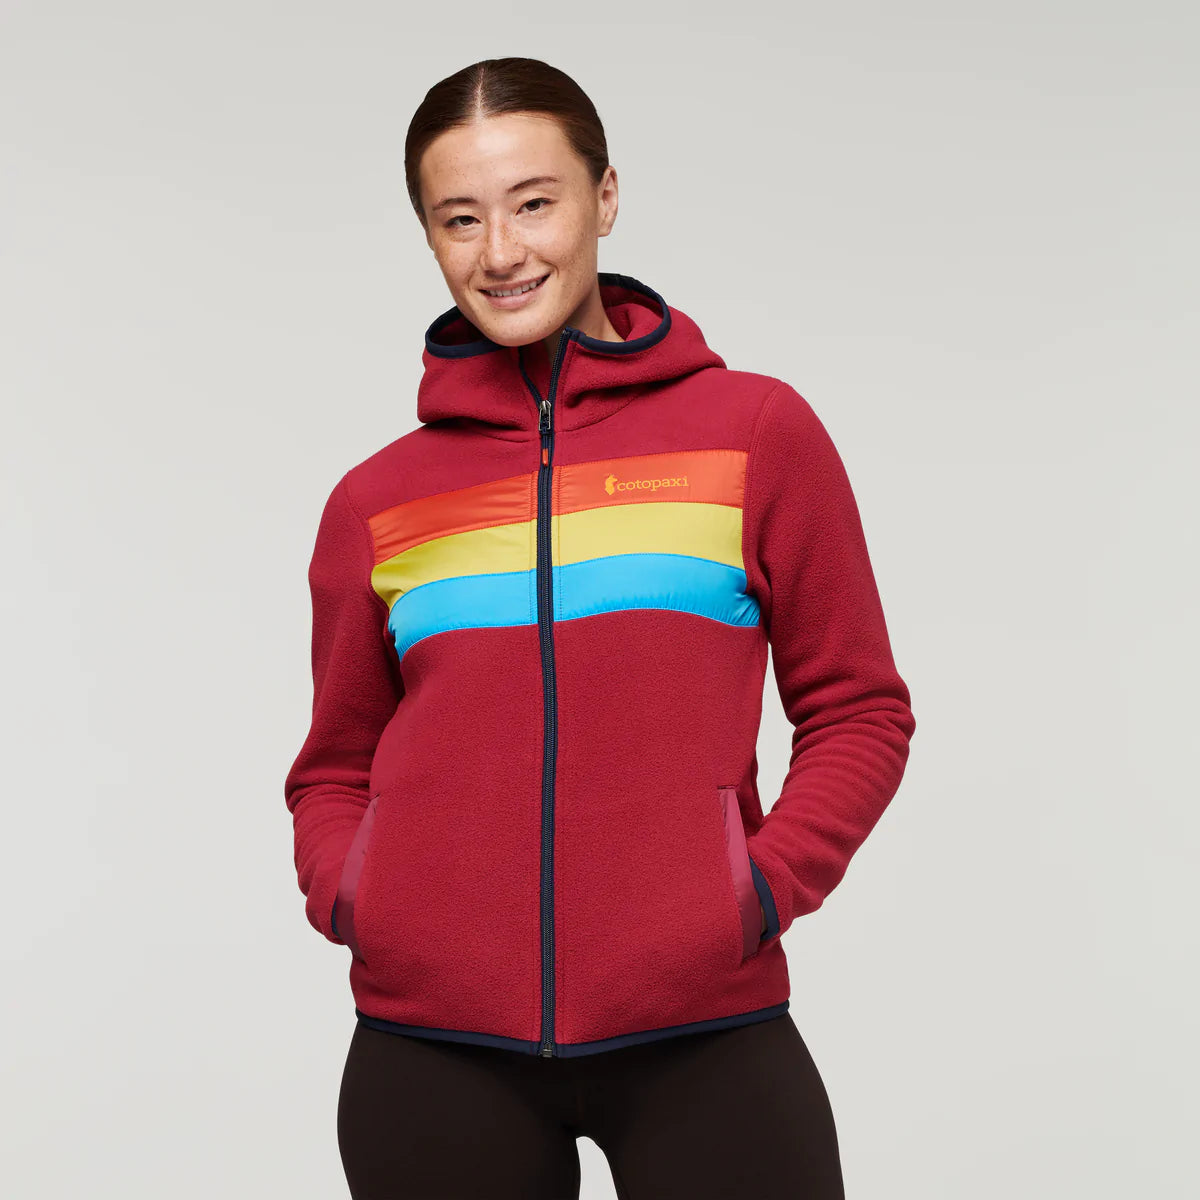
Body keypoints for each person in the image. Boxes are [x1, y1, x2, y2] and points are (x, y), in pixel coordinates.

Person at [284, 55, 916, 1200]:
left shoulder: (753, 435)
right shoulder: (377, 501)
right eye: (460, 218)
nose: (501, 251)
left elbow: (860, 709)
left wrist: (755, 890)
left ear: (605, 197)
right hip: (432, 1049)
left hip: (704, 1027)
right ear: (428, 235)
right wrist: (358, 893)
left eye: (535, 202)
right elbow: (333, 765)